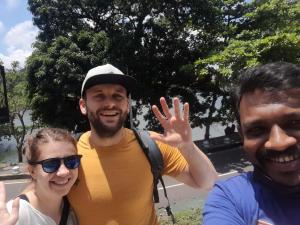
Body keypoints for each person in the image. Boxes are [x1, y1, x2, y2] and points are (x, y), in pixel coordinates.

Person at [68, 63, 218, 225]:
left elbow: (209, 183)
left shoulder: (151, 144)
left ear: (127, 104)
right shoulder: (68, 154)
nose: (110, 103)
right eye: (99, 96)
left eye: (118, 96)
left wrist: (187, 146)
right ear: (83, 105)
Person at [203, 62, 300, 225]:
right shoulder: (230, 199)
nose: (279, 143)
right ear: (242, 137)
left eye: (295, 123)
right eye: (257, 130)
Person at [1, 128, 82, 225]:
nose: (63, 172)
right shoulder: (16, 215)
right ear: (32, 171)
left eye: (71, 161)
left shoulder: (75, 208)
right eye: (51, 164)